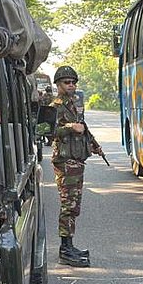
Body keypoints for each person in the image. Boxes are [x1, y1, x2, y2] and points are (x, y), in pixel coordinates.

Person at [45, 65, 98, 268]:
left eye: (74, 82)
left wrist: (94, 144)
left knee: (74, 205)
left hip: (77, 160)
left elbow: (83, 127)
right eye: (67, 82)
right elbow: (45, 130)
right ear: (58, 84)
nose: (72, 85)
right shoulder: (54, 106)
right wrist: (69, 127)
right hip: (65, 162)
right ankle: (65, 249)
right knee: (68, 205)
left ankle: (69, 245)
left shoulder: (75, 104)